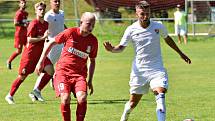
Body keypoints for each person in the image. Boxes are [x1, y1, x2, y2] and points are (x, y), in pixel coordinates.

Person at [103, 1, 191, 121]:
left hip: (157, 69)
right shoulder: (131, 29)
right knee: (132, 103)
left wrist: (180, 53)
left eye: (147, 13)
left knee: (160, 94)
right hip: (139, 71)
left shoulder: (158, 26)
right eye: (142, 14)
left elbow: (167, 39)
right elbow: (121, 47)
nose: (145, 16)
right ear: (136, 14)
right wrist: (112, 49)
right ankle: (125, 114)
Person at [35, 12, 98, 121]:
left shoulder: (93, 41)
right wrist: (41, 62)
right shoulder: (70, 32)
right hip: (62, 73)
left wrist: (90, 80)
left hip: (79, 76)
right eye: (89, 24)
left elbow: (92, 61)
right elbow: (50, 43)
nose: (91, 27)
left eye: (93, 25)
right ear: (81, 22)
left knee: (82, 98)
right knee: (65, 98)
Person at [5, 1, 48, 104]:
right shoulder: (33, 23)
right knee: (22, 76)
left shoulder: (46, 24)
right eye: (40, 9)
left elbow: (44, 39)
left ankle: (36, 92)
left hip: (40, 55)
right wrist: (42, 37)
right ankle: (10, 95)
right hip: (30, 55)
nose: (42, 11)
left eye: (43, 9)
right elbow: (29, 40)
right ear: (36, 11)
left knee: (50, 71)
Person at [29, 0, 67, 102]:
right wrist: (44, 42)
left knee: (63, 66)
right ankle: (35, 91)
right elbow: (43, 29)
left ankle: (54, 82)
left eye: (58, 1)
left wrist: (68, 34)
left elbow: (62, 26)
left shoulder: (62, 13)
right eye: (55, 1)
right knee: (45, 70)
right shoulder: (48, 16)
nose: (57, 3)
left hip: (61, 45)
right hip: (51, 46)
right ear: (51, 3)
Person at [7, 0, 28, 70]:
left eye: (25, 3)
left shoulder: (25, 13)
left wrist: (27, 23)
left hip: (25, 34)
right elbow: (15, 23)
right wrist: (24, 24)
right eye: (22, 3)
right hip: (19, 35)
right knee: (19, 51)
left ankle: (24, 65)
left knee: (28, 49)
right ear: (19, 4)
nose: (24, 4)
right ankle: (9, 61)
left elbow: (24, 22)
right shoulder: (18, 13)